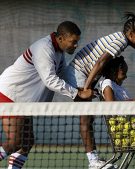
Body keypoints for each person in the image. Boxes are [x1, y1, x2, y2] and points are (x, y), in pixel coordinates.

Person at [0, 21, 93, 169]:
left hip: (23, 101)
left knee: (27, 142)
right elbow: (50, 80)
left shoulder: (59, 53)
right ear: (61, 38)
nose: (76, 45)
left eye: (77, 42)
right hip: (10, 95)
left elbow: (63, 76)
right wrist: (78, 93)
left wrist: (83, 89)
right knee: (15, 141)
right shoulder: (43, 48)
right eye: (73, 42)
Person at [62, 12, 135, 169]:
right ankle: (93, 161)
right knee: (86, 118)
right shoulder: (120, 41)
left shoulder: (120, 40)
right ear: (131, 34)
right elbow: (100, 62)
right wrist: (86, 88)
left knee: (89, 118)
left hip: (85, 75)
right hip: (79, 73)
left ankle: (94, 159)